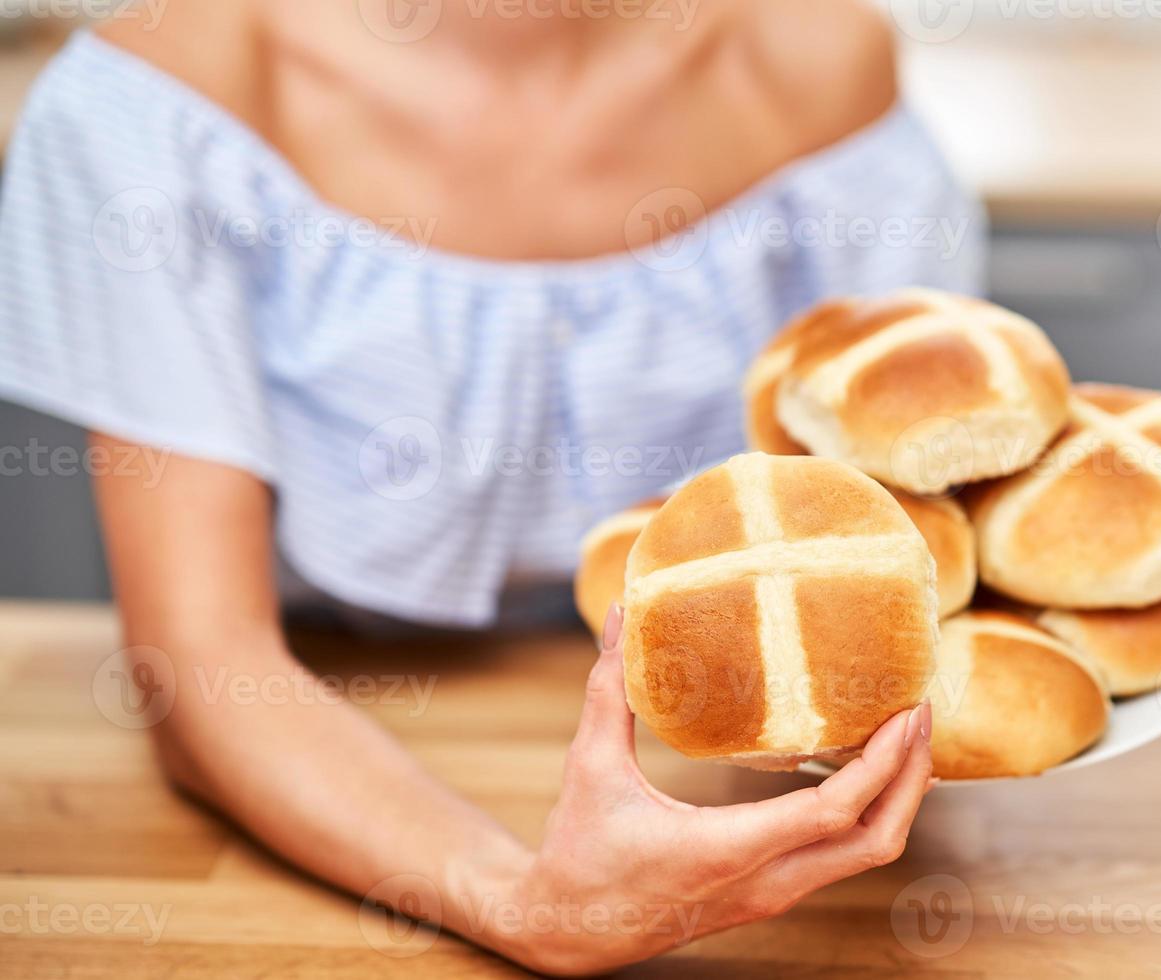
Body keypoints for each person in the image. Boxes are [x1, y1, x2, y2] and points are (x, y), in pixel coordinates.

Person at [0, 0, 981, 971]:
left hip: (727, 767)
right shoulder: (155, 94)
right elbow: (202, 662)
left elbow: (892, 530)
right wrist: (521, 900)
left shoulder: (821, 57)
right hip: (343, 739)